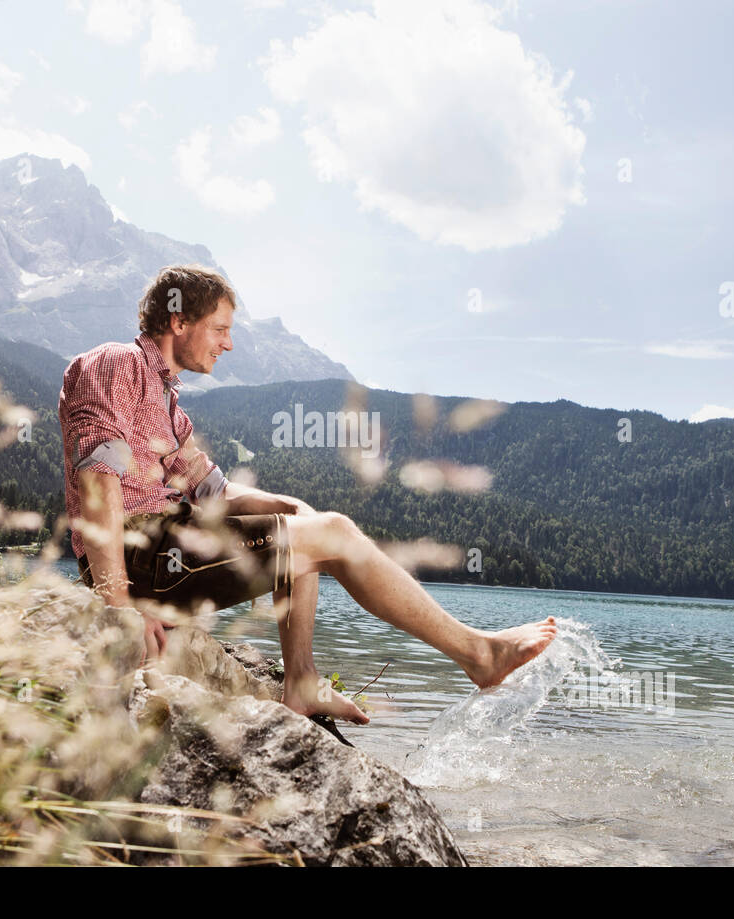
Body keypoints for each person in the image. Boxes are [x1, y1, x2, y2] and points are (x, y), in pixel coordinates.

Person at [58, 264, 557, 726]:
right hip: (139, 556)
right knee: (330, 533)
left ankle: (299, 685)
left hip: (169, 549)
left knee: (309, 530)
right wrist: (119, 605)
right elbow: (99, 480)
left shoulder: (168, 403)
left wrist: (294, 510)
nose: (228, 344)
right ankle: (480, 655)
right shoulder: (116, 364)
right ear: (180, 320)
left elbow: (216, 492)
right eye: (220, 329)